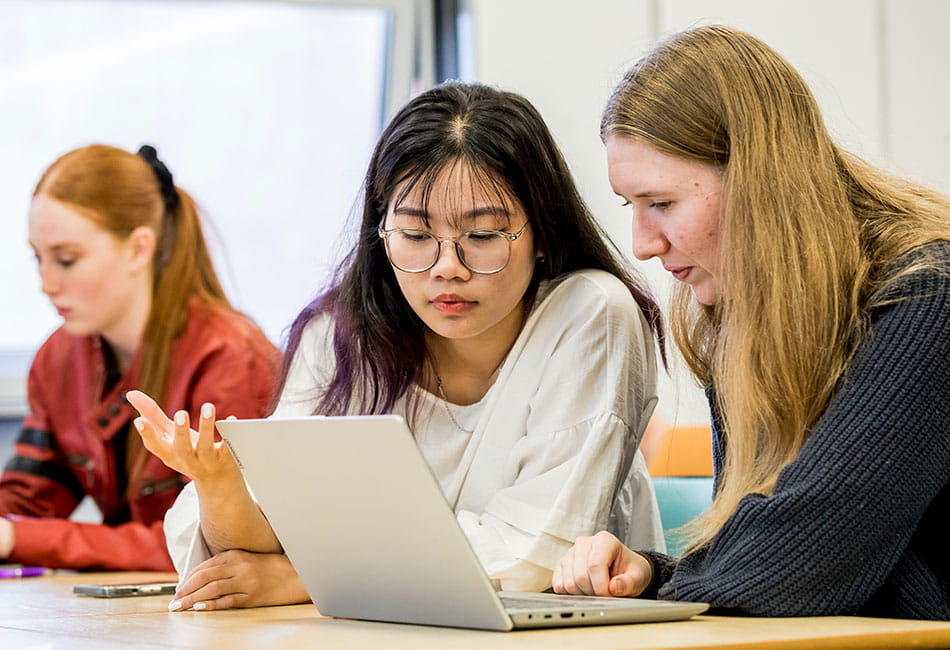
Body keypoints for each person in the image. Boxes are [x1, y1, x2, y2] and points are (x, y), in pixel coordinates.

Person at [129, 81, 667, 611]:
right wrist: (219, 484)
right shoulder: (341, 332)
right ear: (381, 232)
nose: (446, 268)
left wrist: (306, 578)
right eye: (414, 235)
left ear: (542, 232)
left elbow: (535, 552)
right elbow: (242, 557)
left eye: (482, 237)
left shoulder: (592, 312)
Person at [552, 25, 950, 621]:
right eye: (629, 206)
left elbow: (795, 564)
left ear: (760, 180)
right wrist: (652, 575)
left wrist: (675, 584)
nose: (640, 244)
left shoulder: (929, 296)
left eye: (661, 204)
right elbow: (757, 542)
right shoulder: (743, 313)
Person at [0, 144, 280, 570]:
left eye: (66, 259)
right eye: (37, 258)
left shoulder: (230, 358)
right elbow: (28, 500)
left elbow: (210, 543)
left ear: (138, 249)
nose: (46, 283)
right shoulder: (56, 359)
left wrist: (18, 537)